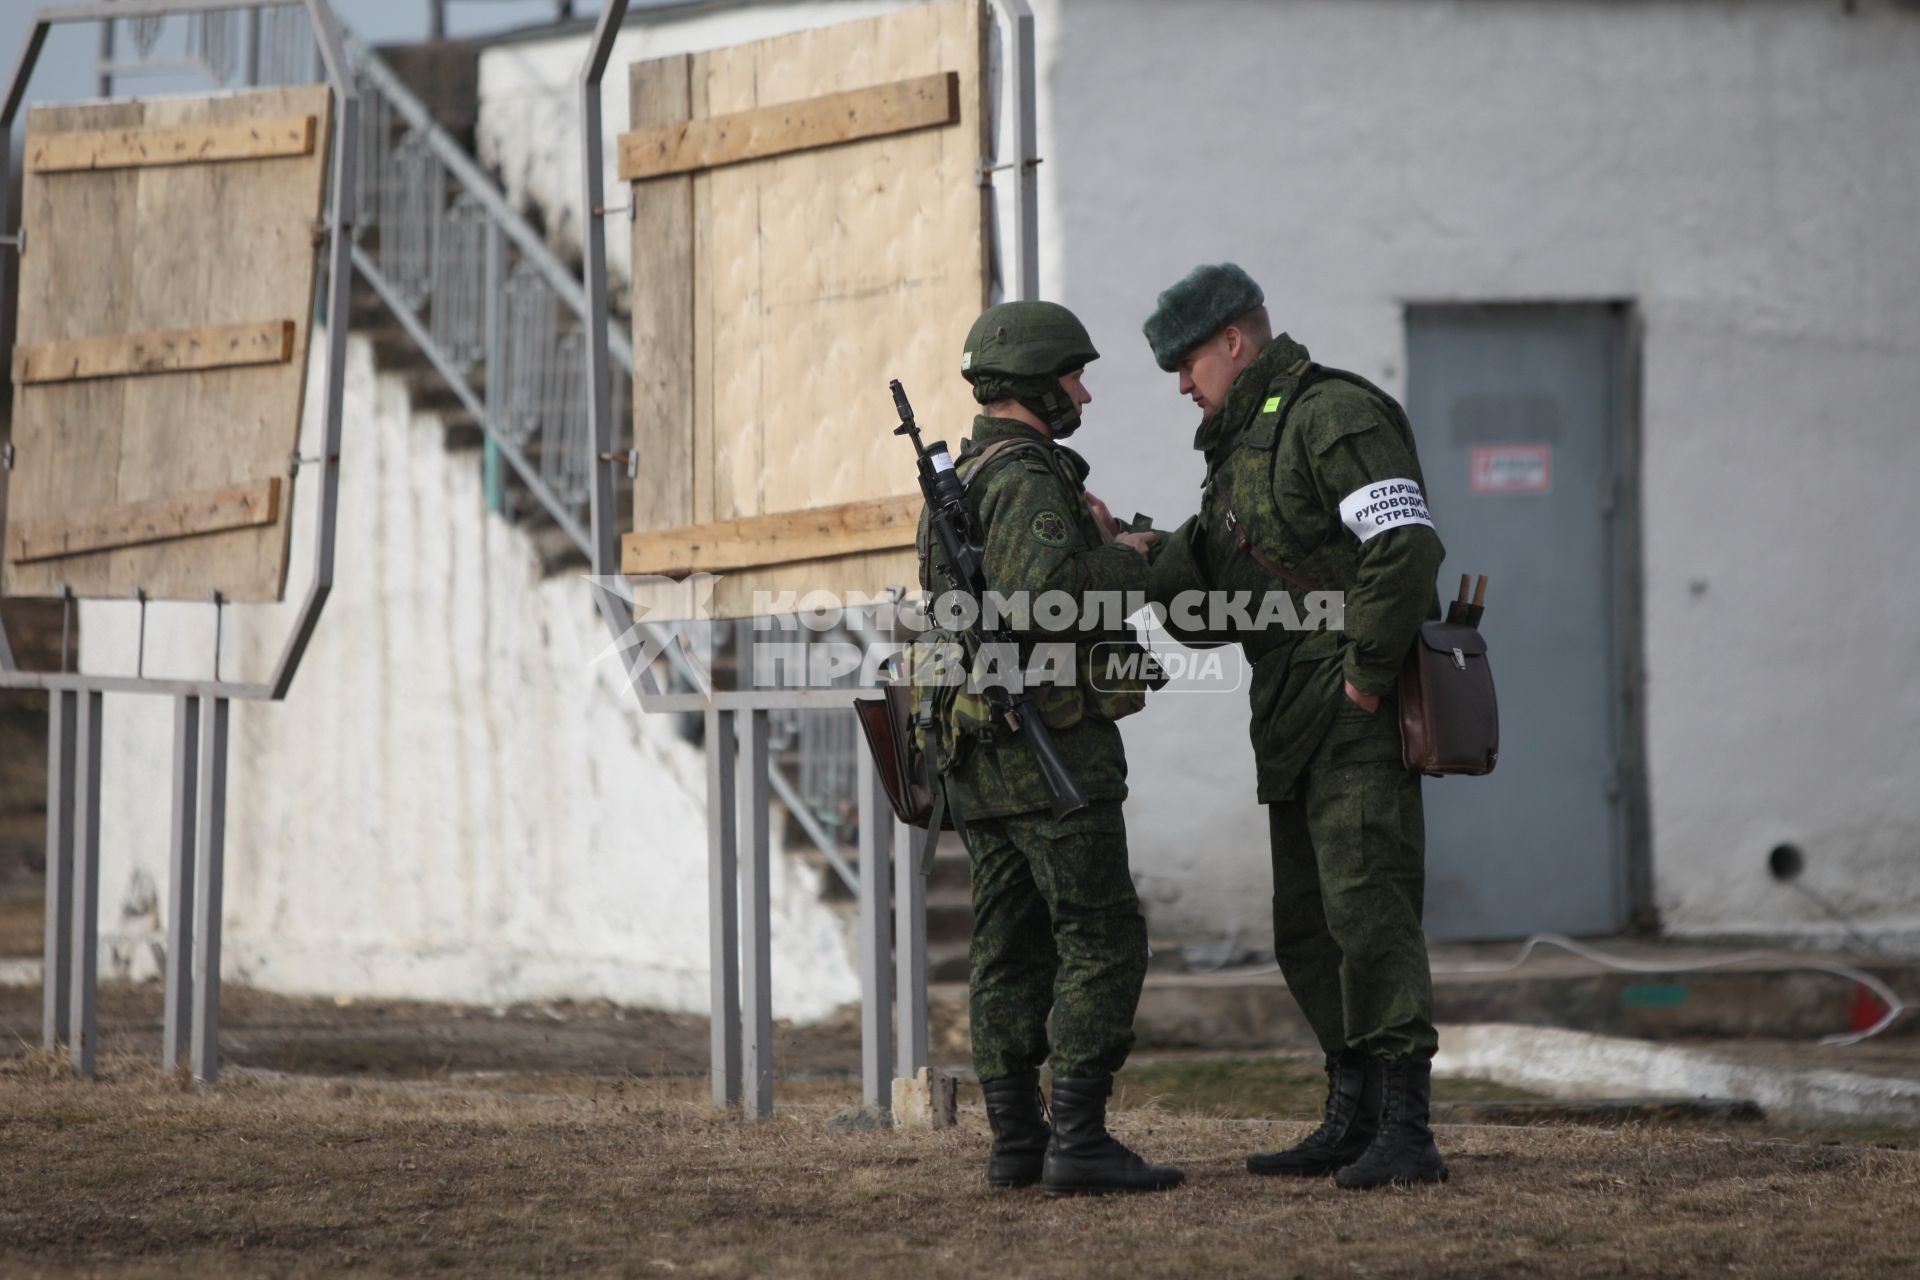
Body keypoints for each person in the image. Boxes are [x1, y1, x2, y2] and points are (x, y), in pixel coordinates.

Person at [1140, 263, 1450, 1189]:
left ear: (1235, 342)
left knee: (1369, 913)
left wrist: (1363, 678)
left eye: (1188, 364)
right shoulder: (1235, 455)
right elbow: (1215, 608)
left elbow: (1406, 546)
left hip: (1351, 715)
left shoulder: (1332, 416)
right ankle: (1350, 1114)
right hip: (1287, 718)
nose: (1182, 386)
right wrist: (1148, 555)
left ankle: (1407, 1129)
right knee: (1307, 928)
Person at [916, 300, 1182, 1196]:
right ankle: (1080, 1142)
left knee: (1007, 947)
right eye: (1073, 376)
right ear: (1033, 381)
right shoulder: (1025, 472)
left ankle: (1016, 1145)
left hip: (980, 757)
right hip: (1048, 753)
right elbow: (1045, 602)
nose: (1084, 393)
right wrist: (1134, 555)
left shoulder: (971, 471)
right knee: (1102, 936)